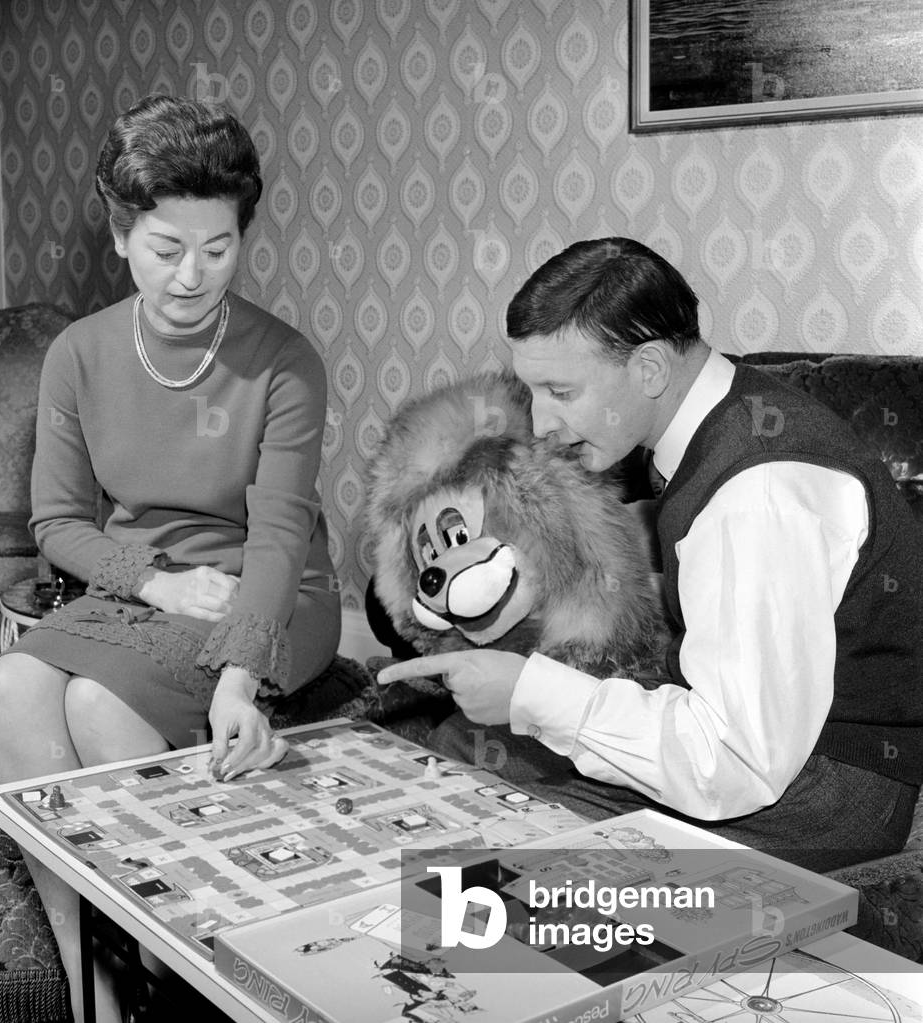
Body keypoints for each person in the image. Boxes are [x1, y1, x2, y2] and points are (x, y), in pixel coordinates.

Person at [379, 236, 923, 872]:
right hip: (785, 765)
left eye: (562, 391)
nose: (544, 423)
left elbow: (736, 759)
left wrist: (535, 693)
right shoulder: (727, 419)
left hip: (816, 797)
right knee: (461, 767)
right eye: (535, 394)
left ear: (650, 369)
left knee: (478, 862)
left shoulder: (756, 495)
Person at [0, 94, 340, 1023]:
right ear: (119, 234)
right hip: (152, 583)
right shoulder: (78, 353)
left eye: (217, 248)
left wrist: (238, 678)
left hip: (272, 584)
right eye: (165, 247)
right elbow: (57, 524)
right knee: (12, 687)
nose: (192, 274)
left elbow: (276, 533)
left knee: (102, 701)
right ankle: (92, 986)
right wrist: (156, 581)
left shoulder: (286, 362)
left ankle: (172, 965)